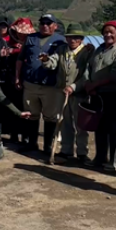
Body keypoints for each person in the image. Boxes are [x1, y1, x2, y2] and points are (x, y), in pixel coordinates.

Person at [76, 21, 116, 171]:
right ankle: (100, 158)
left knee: (112, 127)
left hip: (112, 95)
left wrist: (95, 85)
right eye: (105, 32)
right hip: (96, 95)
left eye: (112, 32)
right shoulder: (98, 50)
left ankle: (113, 161)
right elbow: (88, 68)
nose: (108, 34)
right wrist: (88, 84)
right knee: (99, 126)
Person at [40, 24, 94, 163]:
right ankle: (66, 150)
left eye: (76, 38)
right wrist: (46, 60)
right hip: (62, 93)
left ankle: (82, 152)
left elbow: (87, 75)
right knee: (64, 122)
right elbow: (53, 63)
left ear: (81, 39)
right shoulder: (62, 50)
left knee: (80, 125)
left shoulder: (87, 52)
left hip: (79, 93)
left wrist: (74, 87)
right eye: (70, 37)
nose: (73, 40)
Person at [15, 14, 66, 153]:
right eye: (42, 23)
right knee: (31, 114)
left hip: (50, 85)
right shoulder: (31, 38)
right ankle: (32, 143)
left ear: (55, 26)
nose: (45, 25)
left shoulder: (61, 40)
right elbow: (20, 59)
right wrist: (17, 78)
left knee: (50, 117)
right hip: (30, 84)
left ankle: (48, 146)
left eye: (48, 23)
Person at [2, 18, 35, 143]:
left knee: (27, 107)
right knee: (13, 106)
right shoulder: (9, 44)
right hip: (12, 79)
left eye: (24, 33)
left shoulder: (32, 44)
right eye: (19, 32)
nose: (21, 35)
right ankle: (14, 134)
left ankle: (26, 135)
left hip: (28, 80)